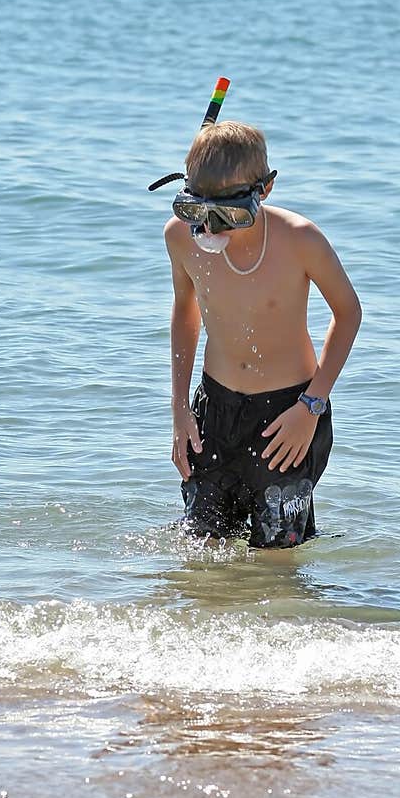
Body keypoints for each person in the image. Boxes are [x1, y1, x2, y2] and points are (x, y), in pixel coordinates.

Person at [162, 118, 361, 547]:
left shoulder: (300, 240)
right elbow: (185, 315)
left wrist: (311, 407)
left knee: (278, 559)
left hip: (288, 415)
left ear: (264, 190)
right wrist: (180, 410)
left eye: (229, 215)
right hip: (214, 414)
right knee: (200, 552)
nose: (211, 230)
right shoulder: (180, 237)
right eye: (199, 211)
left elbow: (348, 314)